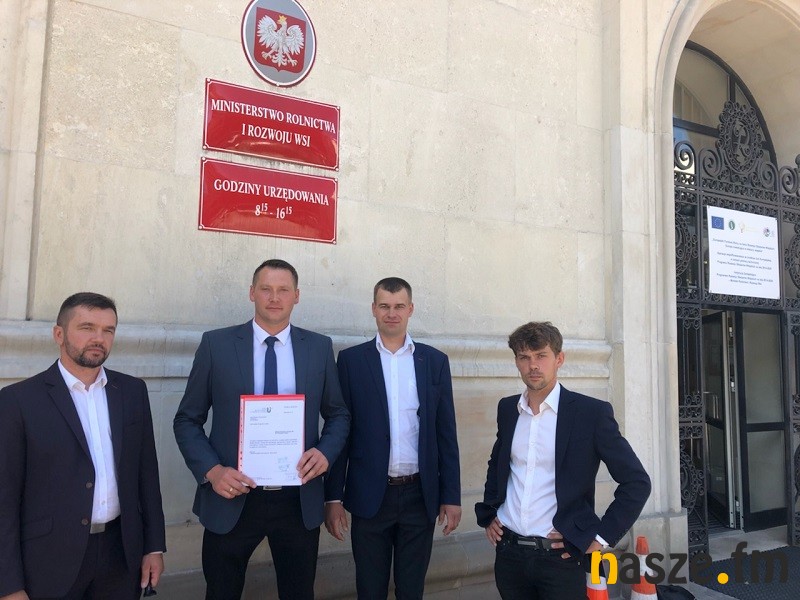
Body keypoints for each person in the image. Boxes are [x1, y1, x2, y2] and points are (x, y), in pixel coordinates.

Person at [173, 259, 350, 600]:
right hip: (232, 495)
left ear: (297, 296)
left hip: (297, 499)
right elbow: (186, 419)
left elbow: (338, 414)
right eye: (266, 289)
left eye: (283, 290)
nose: (274, 297)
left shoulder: (318, 347)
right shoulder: (216, 345)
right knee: (221, 592)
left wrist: (325, 453)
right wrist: (212, 472)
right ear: (252, 292)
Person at [0, 292, 166, 600]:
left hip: (120, 554)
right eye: (87, 327)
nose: (99, 338)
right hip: (49, 559)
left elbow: (146, 473)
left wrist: (153, 546)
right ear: (59, 334)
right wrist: (8, 585)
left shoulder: (132, 392)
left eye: (108, 330)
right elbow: (4, 498)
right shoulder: (18, 401)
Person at [475, 321, 651, 600]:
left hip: (562, 559)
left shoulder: (590, 414)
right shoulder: (508, 409)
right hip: (509, 554)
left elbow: (637, 482)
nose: (533, 365)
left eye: (541, 355)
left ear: (559, 359)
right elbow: (497, 464)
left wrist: (601, 538)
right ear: (517, 362)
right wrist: (490, 513)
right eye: (524, 357)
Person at [324, 277, 461, 599]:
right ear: (374, 309)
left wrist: (451, 496)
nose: (392, 313)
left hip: (419, 496)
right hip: (370, 496)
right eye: (384, 306)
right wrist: (333, 498)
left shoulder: (434, 361)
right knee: (369, 589)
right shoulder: (351, 361)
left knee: (411, 590)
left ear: (410, 309)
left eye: (399, 306)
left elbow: (446, 434)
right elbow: (340, 431)